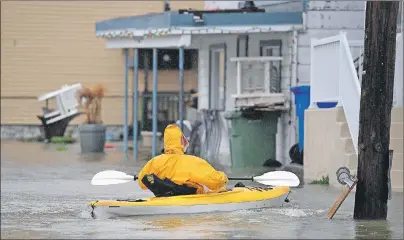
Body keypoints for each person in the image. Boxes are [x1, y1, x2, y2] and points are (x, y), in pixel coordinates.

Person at [137, 124, 228, 197]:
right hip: (188, 196)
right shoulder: (192, 161)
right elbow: (215, 181)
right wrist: (223, 178)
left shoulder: (155, 162)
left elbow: (142, 183)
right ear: (181, 142)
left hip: (163, 196)